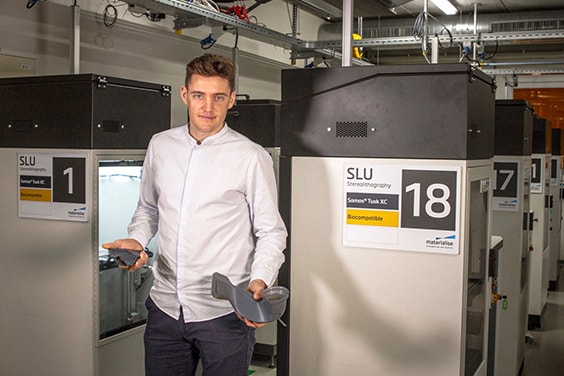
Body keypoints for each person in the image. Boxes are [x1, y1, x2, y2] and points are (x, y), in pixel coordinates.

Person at [102, 53, 287, 376]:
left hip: (224, 314)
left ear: (231, 100)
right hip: (165, 309)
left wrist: (259, 281)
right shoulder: (161, 145)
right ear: (185, 94)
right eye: (199, 95)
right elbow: (148, 208)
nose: (208, 108)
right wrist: (136, 240)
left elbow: (272, 232)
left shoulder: (251, 157)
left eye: (218, 97)